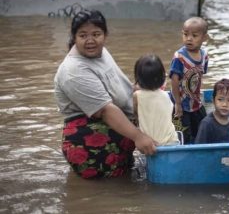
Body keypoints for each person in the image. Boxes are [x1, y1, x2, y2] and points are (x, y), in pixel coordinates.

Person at [54, 10, 157, 179]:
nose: (90, 41)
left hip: (119, 134)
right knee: (112, 192)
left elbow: (117, 85)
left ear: (105, 34)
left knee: (126, 182)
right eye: (83, 35)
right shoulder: (73, 70)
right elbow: (106, 110)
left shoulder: (99, 51)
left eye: (96, 34)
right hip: (91, 147)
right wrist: (139, 136)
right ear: (74, 37)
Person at [169, 16, 209, 144]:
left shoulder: (204, 56)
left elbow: (199, 77)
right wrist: (178, 103)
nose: (189, 38)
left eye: (194, 35)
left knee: (203, 129)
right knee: (183, 135)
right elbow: (174, 80)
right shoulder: (179, 57)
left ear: (204, 38)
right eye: (185, 34)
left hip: (196, 103)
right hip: (181, 104)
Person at [133, 54, 179, 146]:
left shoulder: (137, 96)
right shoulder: (165, 95)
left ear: (138, 78)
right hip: (172, 141)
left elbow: (135, 115)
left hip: (151, 144)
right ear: (162, 78)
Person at [195, 78, 229, 144]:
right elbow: (198, 149)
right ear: (213, 100)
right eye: (220, 99)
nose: (224, 104)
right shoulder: (207, 123)